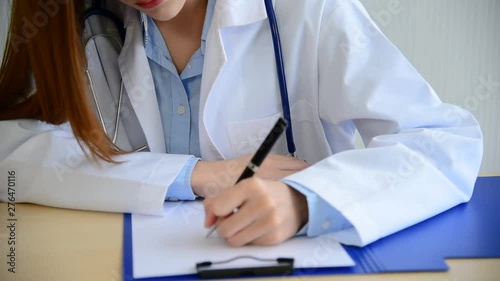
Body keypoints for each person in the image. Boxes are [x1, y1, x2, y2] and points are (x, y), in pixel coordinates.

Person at [0, 0, 482, 247]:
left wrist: (305, 203)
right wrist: (193, 174)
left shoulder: (308, 12)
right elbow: (9, 151)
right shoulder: (79, 27)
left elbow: (443, 142)